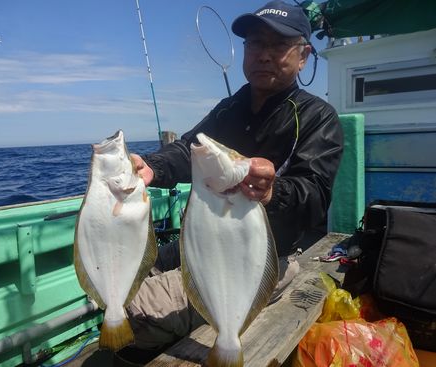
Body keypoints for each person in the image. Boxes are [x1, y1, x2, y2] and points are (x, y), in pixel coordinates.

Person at [125, 0, 344, 353]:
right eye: (256, 44)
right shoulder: (228, 108)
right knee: (131, 269)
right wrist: (153, 167)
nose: (264, 55)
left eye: (278, 45)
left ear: (303, 56)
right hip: (205, 244)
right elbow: (188, 149)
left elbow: (314, 196)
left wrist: (274, 191)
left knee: (136, 315)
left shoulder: (318, 117)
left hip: (265, 257)